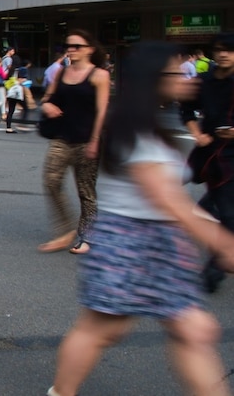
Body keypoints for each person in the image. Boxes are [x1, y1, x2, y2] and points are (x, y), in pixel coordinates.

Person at [47, 42, 234, 396]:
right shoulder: (135, 128)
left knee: (191, 330)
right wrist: (221, 242)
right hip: (129, 243)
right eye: (177, 74)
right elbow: (168, 200)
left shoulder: (148, 123)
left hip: (159, 243)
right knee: (102, 329)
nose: (187, 80)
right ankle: (61, 392)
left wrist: (212, 233)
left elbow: (173, 201)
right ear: (155, 78)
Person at [37, 30, 111, 254]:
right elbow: (47, 98)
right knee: (51, 182)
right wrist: (47, 105)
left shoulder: (99, 75)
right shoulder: (61, 73)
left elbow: (102, 111)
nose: (71, 49)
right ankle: (65, 230)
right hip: (62, 138)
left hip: (87, 140)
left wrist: (96, 140)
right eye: (68, 45)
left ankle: (87, 236)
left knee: (86, 191)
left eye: (77, 46)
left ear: (90, 49)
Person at [181, 32, 234, 293]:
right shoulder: (203, 81)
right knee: (209, 207)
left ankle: (214, 270)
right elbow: (186, 109)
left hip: (232, 155)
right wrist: (196, 132)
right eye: (220, 49)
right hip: (209, 151)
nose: (224, 54)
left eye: (229, 50)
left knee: (229, 214)